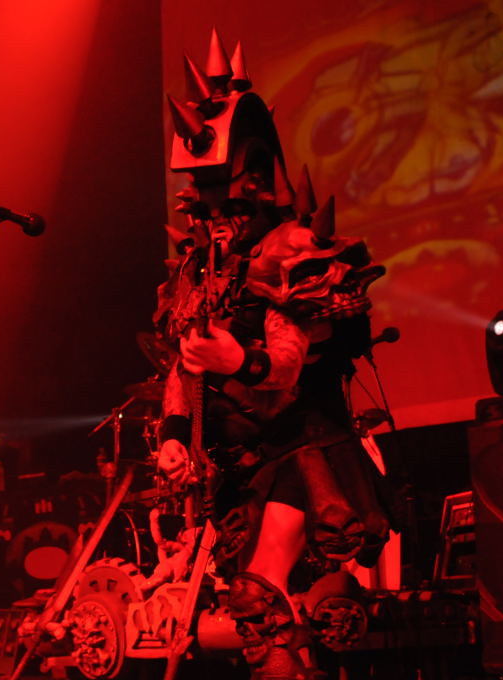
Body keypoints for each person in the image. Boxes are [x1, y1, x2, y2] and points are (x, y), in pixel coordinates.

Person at [154, 31, 391, 680]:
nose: (217, 214)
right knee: (264, 606)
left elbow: (287, 361)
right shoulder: (198, 269)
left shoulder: (284, 250)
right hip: (240, 464)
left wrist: (240, 362)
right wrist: (174, 433)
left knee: (260, 594)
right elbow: (182, 363)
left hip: (300, 450)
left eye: (227, 197)